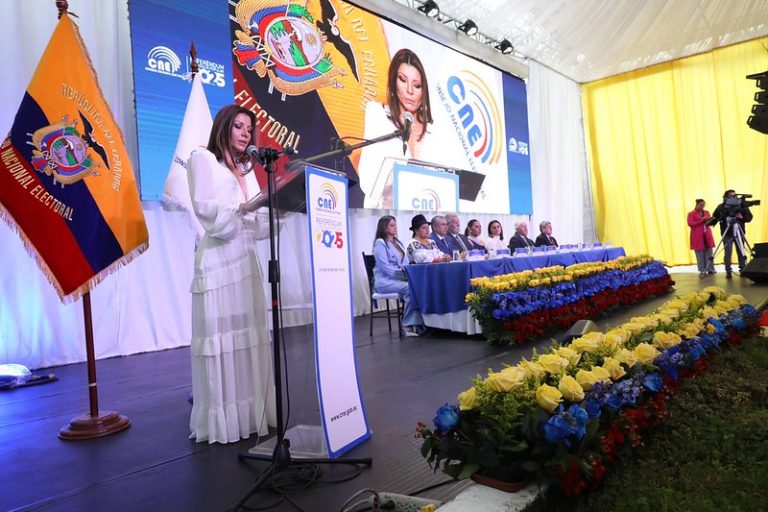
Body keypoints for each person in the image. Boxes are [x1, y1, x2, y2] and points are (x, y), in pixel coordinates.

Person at [186, 104, 276, 444]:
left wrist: (275, 207)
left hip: (244, 258)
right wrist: (244, 208)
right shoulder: (202, 159)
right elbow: (208, 212)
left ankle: (250, 415)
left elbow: (255, 225)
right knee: (221, 341)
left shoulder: (245, 169)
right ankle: (224, 422)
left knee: (246, 340)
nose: (245, 133)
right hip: (219, 263)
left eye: (249, 129)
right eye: (238, 126)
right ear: (223, 126)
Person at [357, 49, 435, 209]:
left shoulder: (432, 131)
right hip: (383, 213)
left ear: (423, 91)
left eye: (417, 85)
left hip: (424, 214)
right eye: (402, 80)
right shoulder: (377, 114)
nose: (410, 90)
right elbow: (367, 180)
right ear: (393, 81)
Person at [372, 215, 425, 337]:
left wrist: (409, 274)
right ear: (384, 227)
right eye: (392, 225)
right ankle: (408, 325)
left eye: (395, 225)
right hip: (385, 281)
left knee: (419, 286)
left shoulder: (398, 243)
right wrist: (404, 276)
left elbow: (405, 263)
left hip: (399, 279)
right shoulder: (380, 243)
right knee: (410, 289)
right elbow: (385, 268)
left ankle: (419, 323)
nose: (395, 227)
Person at [711, 189, 754, 278]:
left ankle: (743, 269)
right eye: (731, 196)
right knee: (728, 252)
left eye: (735, 196)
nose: (734, 198)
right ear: (726, 197)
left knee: (741, 251)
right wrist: (724, 215)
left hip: (739, 232)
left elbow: (749, 217)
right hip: (727, 232)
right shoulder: (721, 206)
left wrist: (742, 217)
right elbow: (715, 217)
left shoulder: (742, 206)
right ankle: (728, 271)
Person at [687, 199, 715, 277]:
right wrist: (702, 220)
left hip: (707, 234)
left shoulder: (706, 212)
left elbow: (710, 221)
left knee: (709, 252)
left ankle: (710, 269)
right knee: (699, 254)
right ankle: (702, 270)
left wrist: (710, 220)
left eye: (703, 205)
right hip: (697, 236)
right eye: (701, 205)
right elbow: (690, 223)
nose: (702, 206)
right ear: (697, 204)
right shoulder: (691, 213)